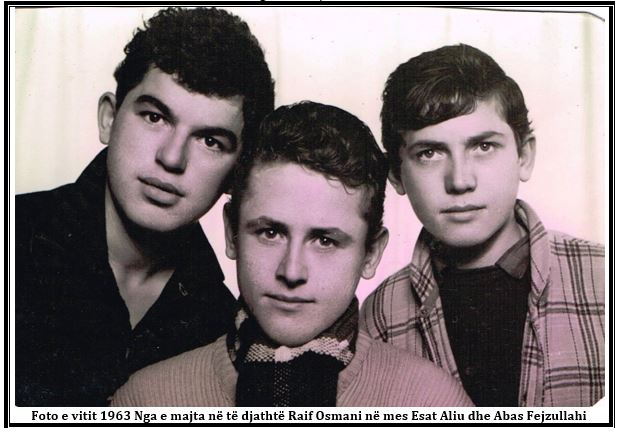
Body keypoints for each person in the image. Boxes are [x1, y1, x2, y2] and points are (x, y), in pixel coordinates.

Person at [110, 101, 473, 407]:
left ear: (371, 254)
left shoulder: (432, 402)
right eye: (270, 233)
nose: (292, 271)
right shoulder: (146, 400)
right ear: (232, 233)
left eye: (325, 241)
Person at [15, 7, 274, 406]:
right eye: (155, 117)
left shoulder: (224, 327)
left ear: (236, 175)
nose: (172, 158)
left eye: (210, 141)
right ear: (109, 118)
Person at [360, 44, 605, 407]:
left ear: (524, 156)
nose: (460, 180)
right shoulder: (381, 315)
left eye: (483, 147)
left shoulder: (604, 278)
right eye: (429, 153)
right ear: (396, 175)